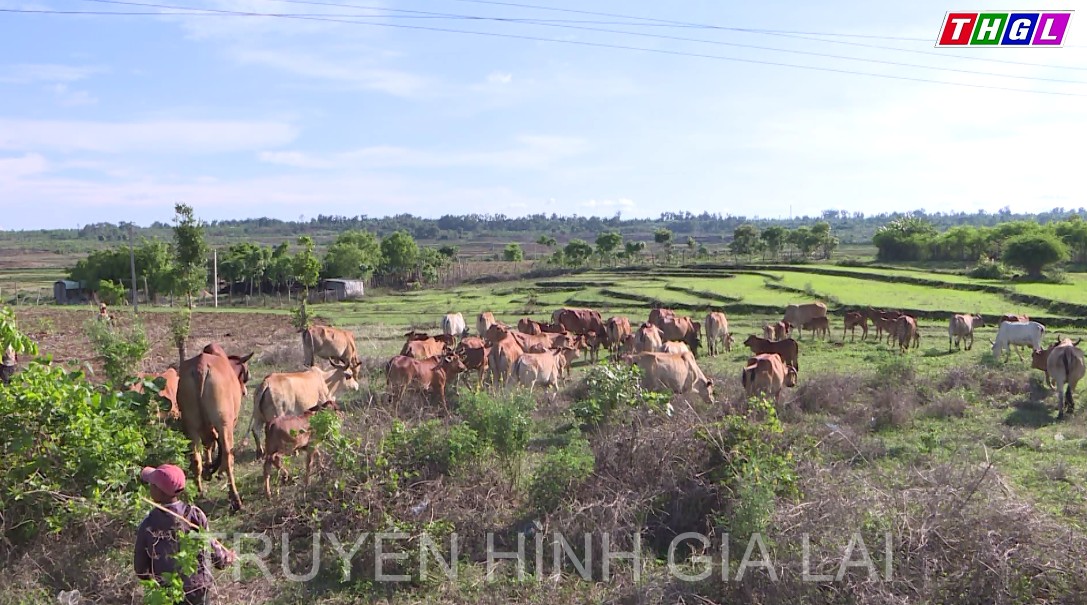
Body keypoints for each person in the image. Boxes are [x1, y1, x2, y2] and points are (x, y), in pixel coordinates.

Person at [134, 464, 235, 605]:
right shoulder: (195, 515)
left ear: (159, 491)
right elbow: (211, 550)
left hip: (169, 593)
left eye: (152, 484)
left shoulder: (148, 524)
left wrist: (156, 581)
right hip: (199, 590)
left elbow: (140, 569)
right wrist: (225, 558)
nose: (149, 487)